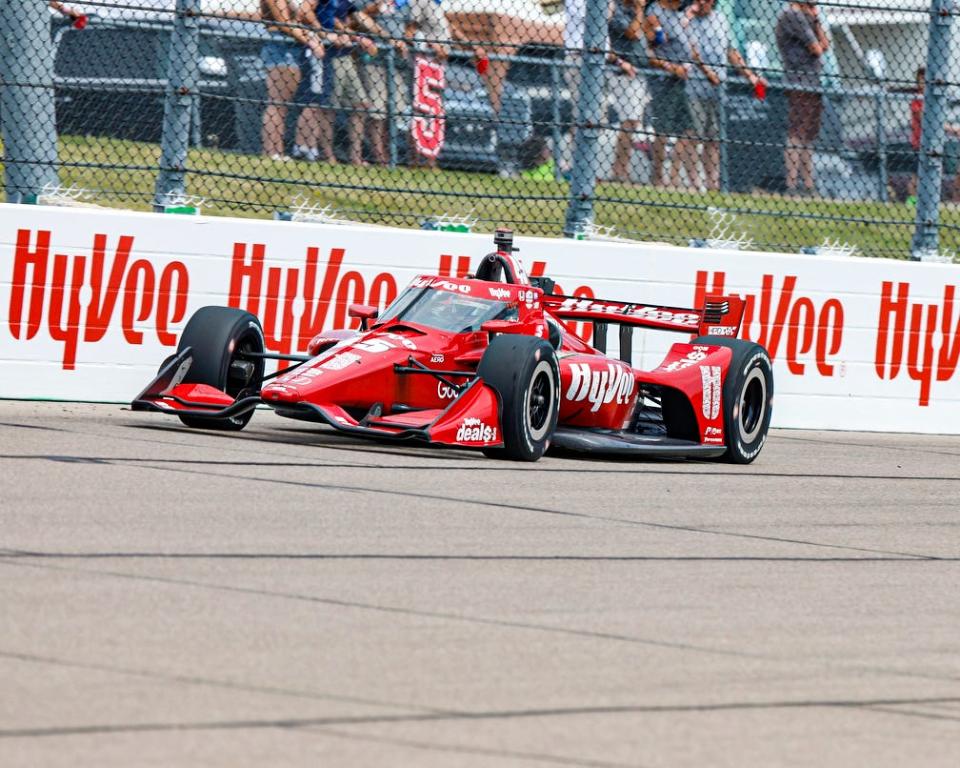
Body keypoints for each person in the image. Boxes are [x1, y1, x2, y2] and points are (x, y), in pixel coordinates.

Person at [687, 0, 763, 191]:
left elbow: (731, 51)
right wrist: (708, 73)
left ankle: (712, 182)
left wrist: (750, 76)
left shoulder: (720, 19)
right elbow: (691, 52)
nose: (702, 2)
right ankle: (693, 183)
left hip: (718, 89)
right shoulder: (687, 21)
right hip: (695, 87)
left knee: (714, 138)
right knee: (694, 136)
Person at [402, 0, 484, 169]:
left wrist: (472, 46)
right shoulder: (420, 2)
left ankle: (430, 160)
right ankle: (416, 160)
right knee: (420, 110)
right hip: (423, 66)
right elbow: (410, 32)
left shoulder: (436, 5)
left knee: (435, 112)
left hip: (437, 68)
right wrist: (432, 46)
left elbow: (450, 28)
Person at [563, 0, 636, 176]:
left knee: (595, 118)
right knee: (584, 116)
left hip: (597, 61)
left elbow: (602, 43)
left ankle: (584, 169)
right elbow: (594, 17)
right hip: (578, 59)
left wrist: (619, 62)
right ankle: (574, 168)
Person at [259, 0, 326, 160]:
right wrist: (310, 42)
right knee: (277, 102)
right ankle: (271, 151)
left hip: (291, 46)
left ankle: (277, 151)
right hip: (280, 45)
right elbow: (284, 23)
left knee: (283, 105)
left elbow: (300, 18)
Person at [775, 0, 829, 196]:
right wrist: (816, 35)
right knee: (797, 133)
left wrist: (816, 21)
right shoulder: (793, 15)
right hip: (799, 80)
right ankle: (792, 184)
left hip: (812, 81)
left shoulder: (807, 17)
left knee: (808, 135)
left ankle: (807, 183)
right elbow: (816, 48)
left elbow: (825, 45)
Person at [646, 0, 700, 190]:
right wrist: (671, 67)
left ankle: (675, 178)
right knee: (663, 130)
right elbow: (649, 52)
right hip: (664, 82)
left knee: (689, 130)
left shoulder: (678, 15)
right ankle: (657, 178)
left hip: (681, 82)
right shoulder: (654, 12)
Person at [608, 0, 654, 183]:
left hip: (638, 71)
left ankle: (621, 169)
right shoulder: (617, 10)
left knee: (633, 121)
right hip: (621, 71)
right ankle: (619, 171)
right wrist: (640, 9)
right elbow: (633, 33)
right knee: (630, 120)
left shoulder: (636, 11)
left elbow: (647, 36)